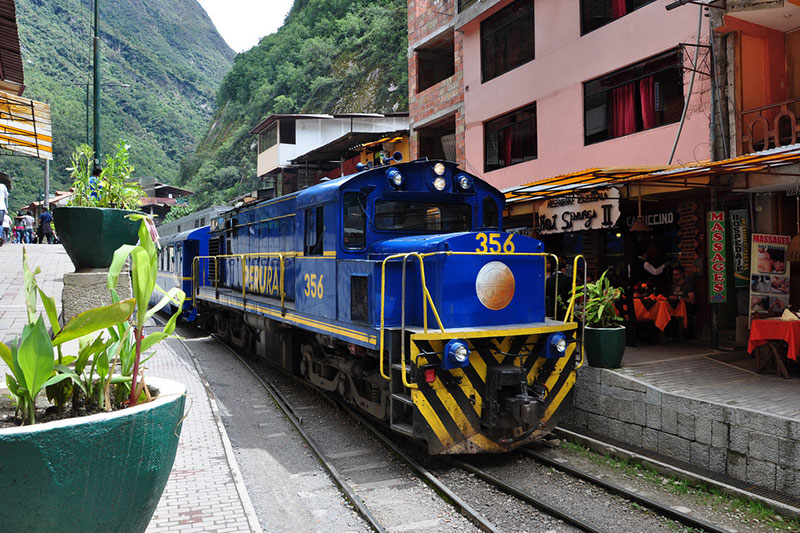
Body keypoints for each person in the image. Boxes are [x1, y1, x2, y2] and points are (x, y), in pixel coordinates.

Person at [0, 172, 8, 245]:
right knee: (0, 224)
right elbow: (6, 195)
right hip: (1, 207)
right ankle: (0, 236)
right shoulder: (3, 186)